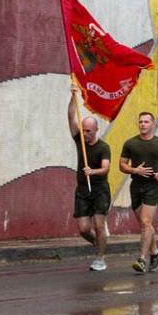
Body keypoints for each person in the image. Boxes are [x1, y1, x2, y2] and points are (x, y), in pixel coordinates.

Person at [120, 111, 158, 274]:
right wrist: (134, 170)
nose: (143, 124)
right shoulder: (130, 143)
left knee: (146, 222)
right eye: (141, 122)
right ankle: (155, 252)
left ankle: (142, 259)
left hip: (153, 186)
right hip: (136, 186)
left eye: (146, 122)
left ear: (153, 124)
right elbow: (122, 165)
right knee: (145, 225)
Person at [69, 85, 111, 271]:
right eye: (83, 130)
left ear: (96, 130)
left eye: (88, 131)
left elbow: (105, 168)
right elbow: (71, 118)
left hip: (100, 190)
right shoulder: (80, 140)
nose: (85, 134)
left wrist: (92, 172)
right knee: (84, 228)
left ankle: (100, 259)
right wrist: (73, 97)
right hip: (83, 190)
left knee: (99, 224)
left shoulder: (103, 147)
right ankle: (99, 242)